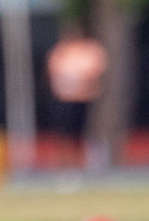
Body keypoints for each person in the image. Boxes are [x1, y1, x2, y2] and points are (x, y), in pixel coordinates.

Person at [46, 25, 108, 170]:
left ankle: (89, 160)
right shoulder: (61, 52)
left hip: (85, 98)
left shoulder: (90, 50)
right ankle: (66, 162)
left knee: (85, 130)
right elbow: (54, 73)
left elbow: (95, 74)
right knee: (64, 132)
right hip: (64, 98)